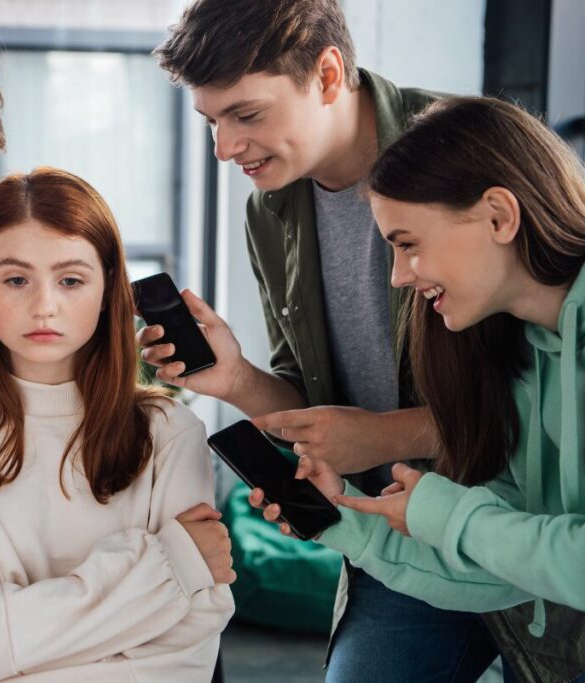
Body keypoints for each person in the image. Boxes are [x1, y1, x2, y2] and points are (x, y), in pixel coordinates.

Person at [149, 0, 502, 680]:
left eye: (246, 115)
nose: (224, 148)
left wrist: (386, 434)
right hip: (399, 537)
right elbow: (315, 402)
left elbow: (550, 395)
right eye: (212, 121)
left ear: (329, 73)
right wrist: (235, 379)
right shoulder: (271, 211)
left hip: (527, 521)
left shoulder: (473, 148)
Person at [251, 96, 585, 683]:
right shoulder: (519, 356)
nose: (399, 276)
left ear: (499, 217)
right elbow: (500, 572)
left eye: (407, 244)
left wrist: (444, 510)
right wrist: (340, 520)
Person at [0, 167, 235, 683]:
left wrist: (2, 653)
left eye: (71, 280)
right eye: (16, 279)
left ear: (108, 287)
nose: (44, 305)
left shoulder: (171, 433)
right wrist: (171, 566)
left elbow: (182, 659)